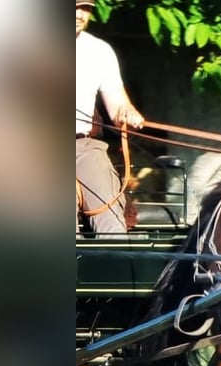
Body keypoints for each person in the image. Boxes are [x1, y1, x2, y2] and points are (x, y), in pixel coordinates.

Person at [76, 0, 144, 237]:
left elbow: (117, 106)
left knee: (112, 224)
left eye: (85, 8)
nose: (79, 14)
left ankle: (114, 267)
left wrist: (127, 113)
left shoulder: (99, 51)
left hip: (83, 147)